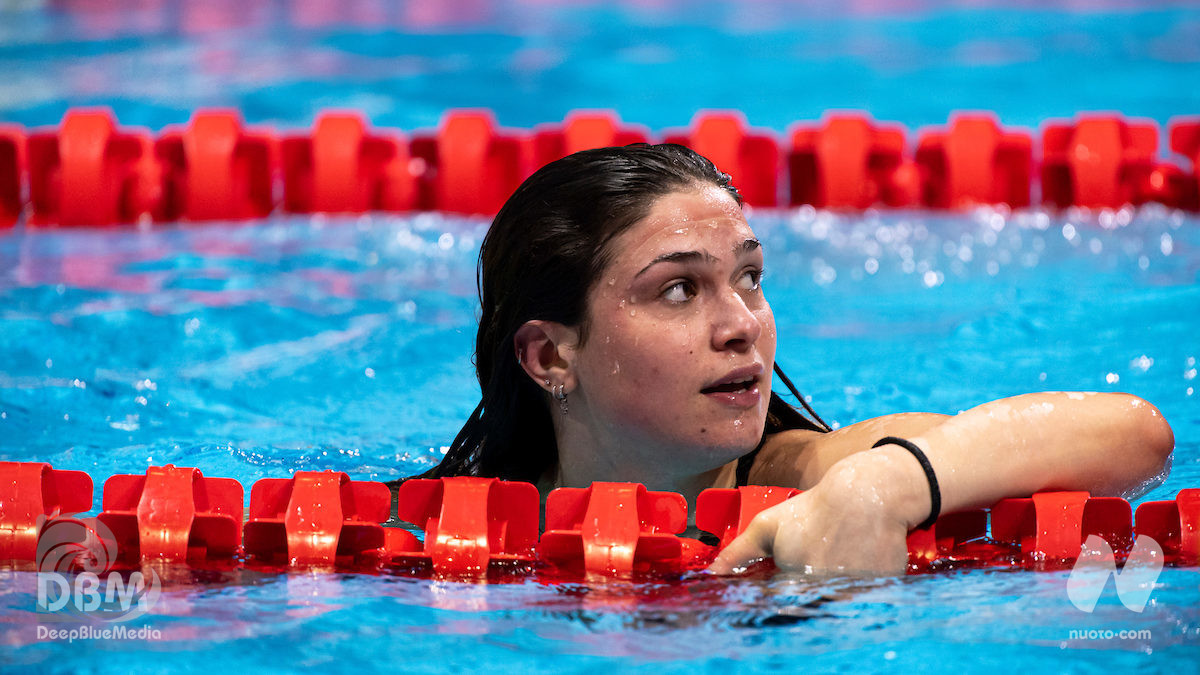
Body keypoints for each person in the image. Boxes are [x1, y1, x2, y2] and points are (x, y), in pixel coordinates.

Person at [412, 143, 1175, 576]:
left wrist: (888, 483)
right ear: (550, 355)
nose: (743, 325)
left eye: (750, 277)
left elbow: (1135, 434)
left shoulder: (810, 476)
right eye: (679, 290)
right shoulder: (422, 531)